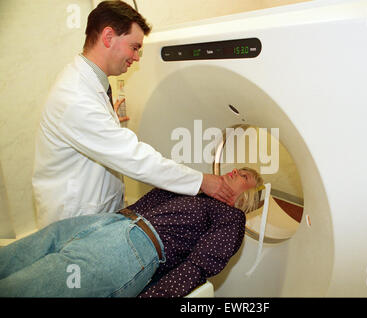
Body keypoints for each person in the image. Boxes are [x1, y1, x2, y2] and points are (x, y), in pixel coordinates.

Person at [32, 1, 233, 229]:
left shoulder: (88, 87)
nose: (136, 57)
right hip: (74, 222)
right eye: (134, 47)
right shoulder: (76, 99)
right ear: (108, 37)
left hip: (96, 212)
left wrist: (108, 119)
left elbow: (95, 132)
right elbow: (136, 158)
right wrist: (202, 181)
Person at [0, 168, 264, 297]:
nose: (233, 171)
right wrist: (197, 183)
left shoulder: (231, 218)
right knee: (37, 245)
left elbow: (197, 266)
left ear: (246, 196)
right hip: (111, 222)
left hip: (135, 245)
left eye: (242, 175)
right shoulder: (197, 188)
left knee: (42, 279)